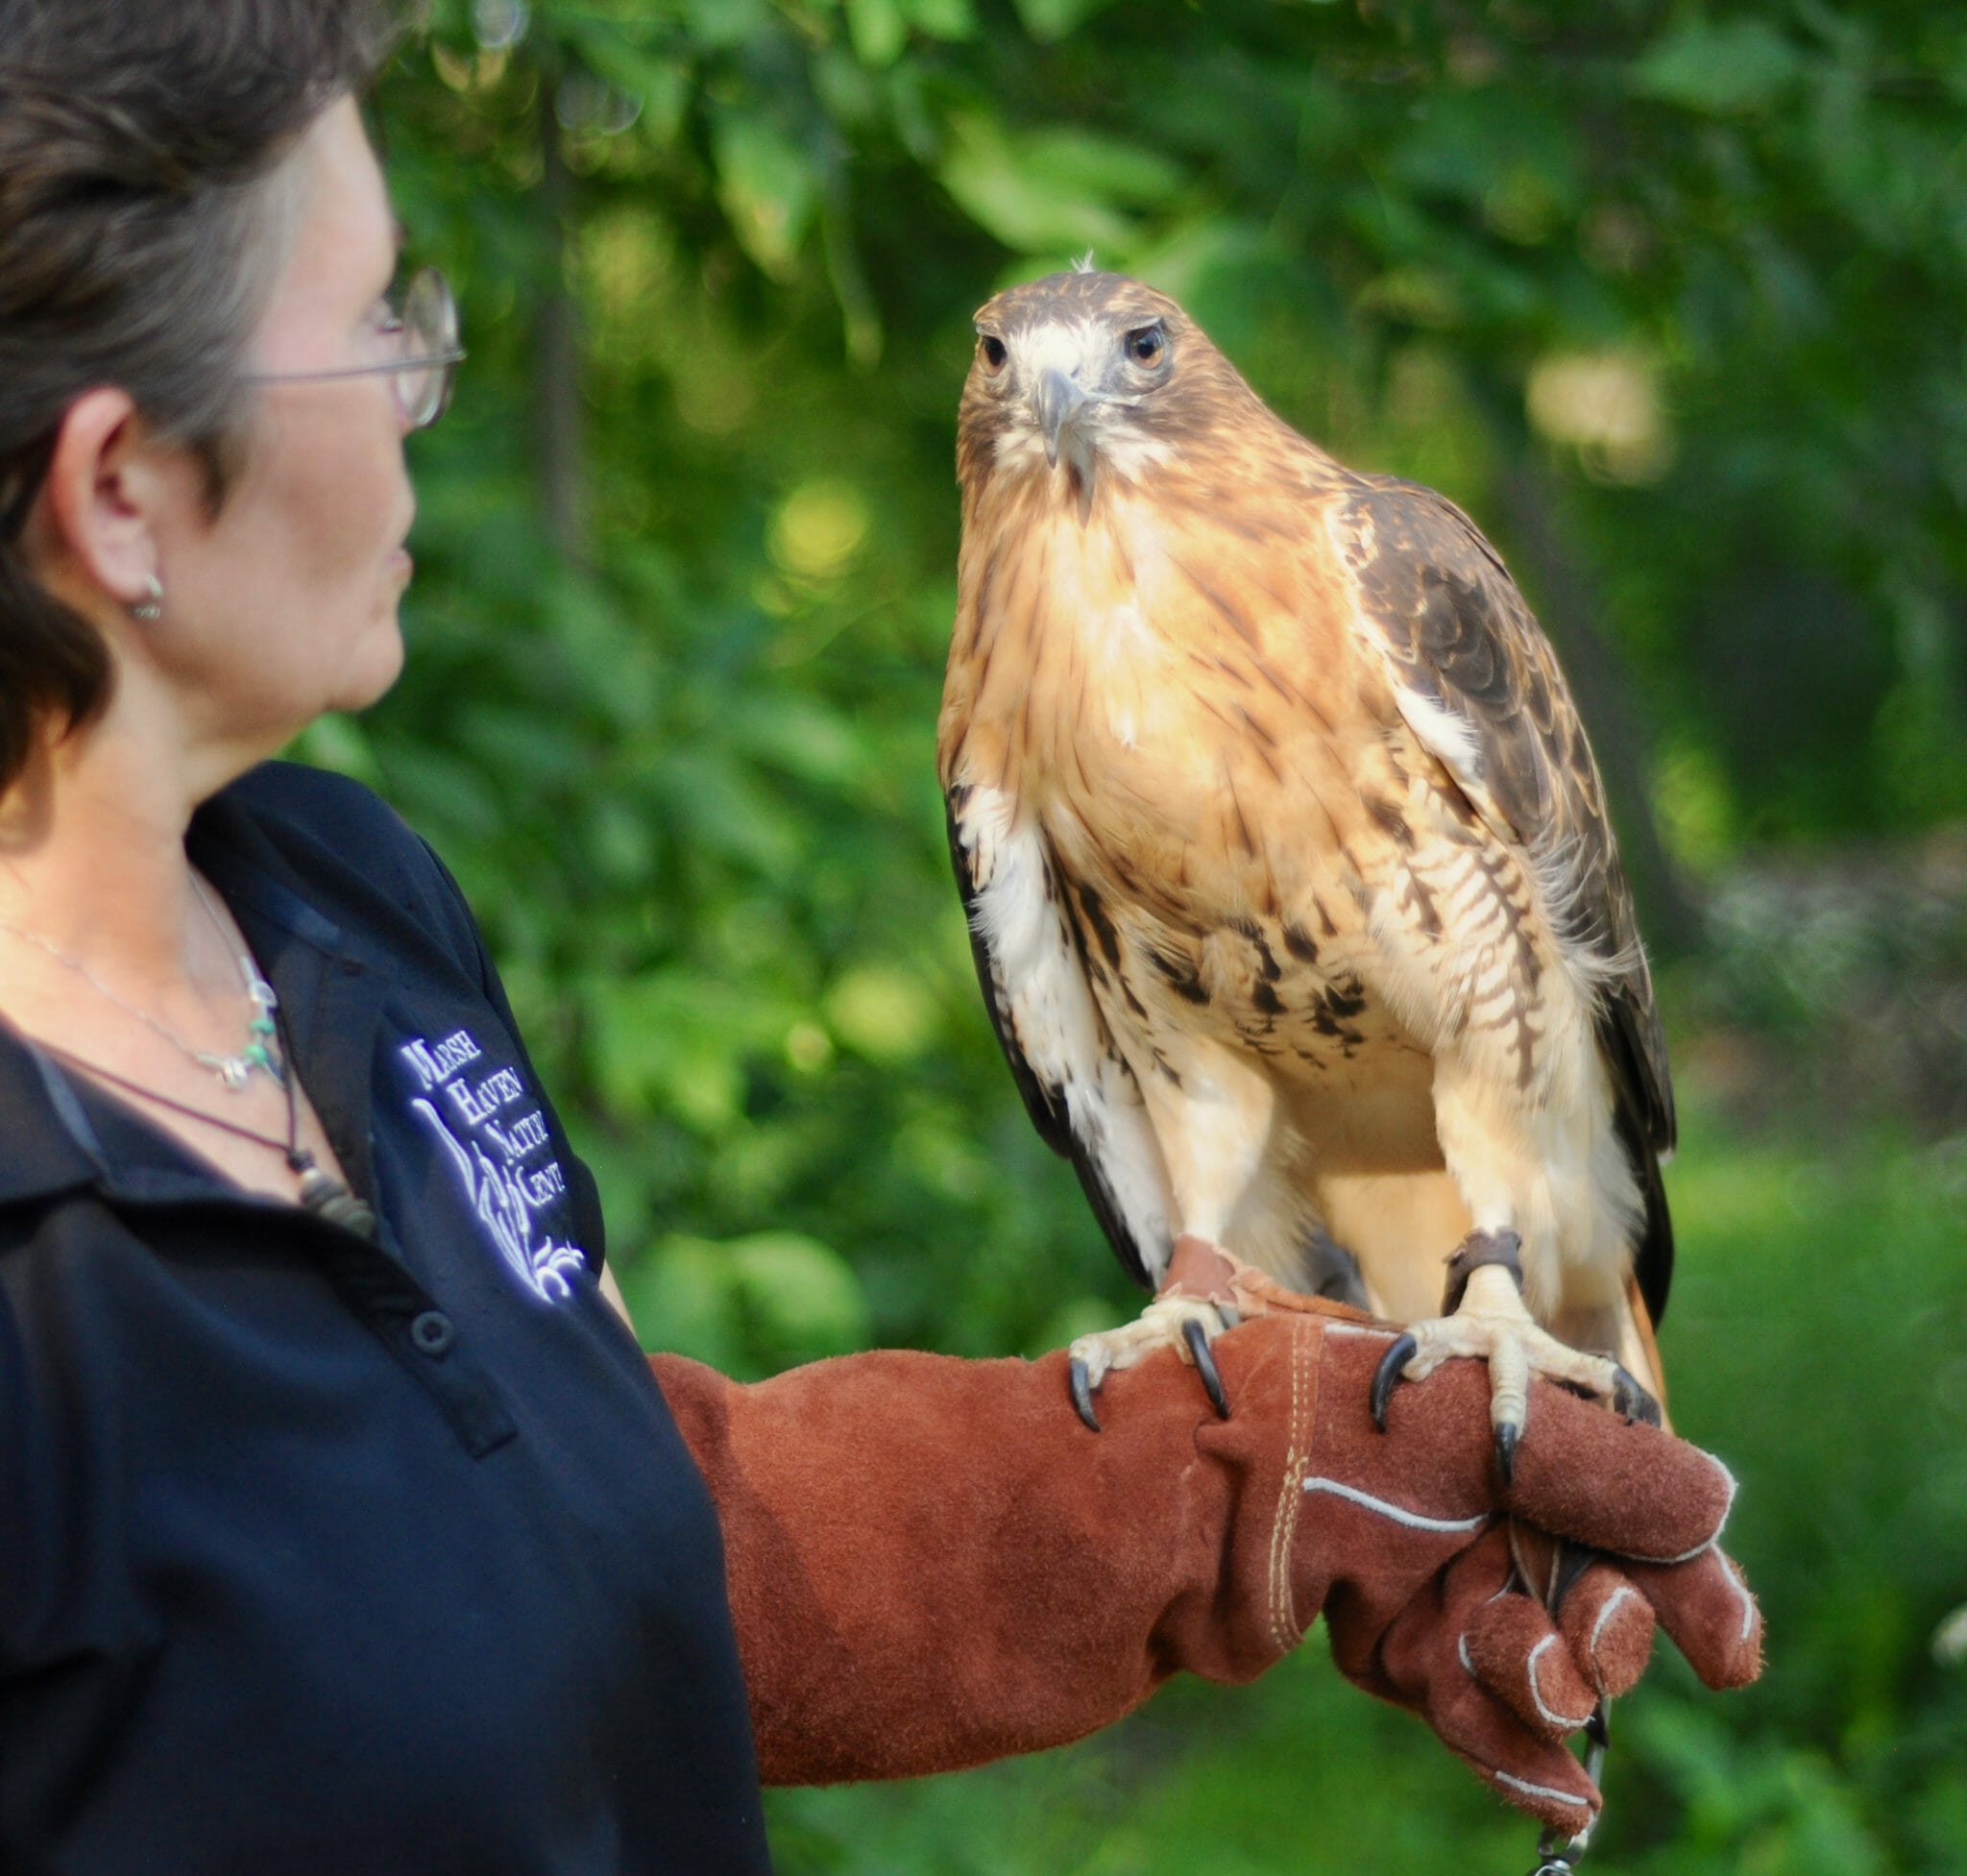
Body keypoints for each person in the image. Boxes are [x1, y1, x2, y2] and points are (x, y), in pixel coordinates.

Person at [0, 3, 1761, 1869]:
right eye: (375, 326)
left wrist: (1221, 1473)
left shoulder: (331, 907)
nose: (428, 377)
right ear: (123, 488)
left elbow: (600, 1525)